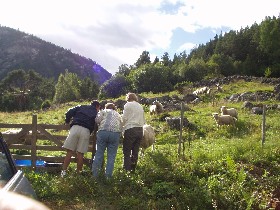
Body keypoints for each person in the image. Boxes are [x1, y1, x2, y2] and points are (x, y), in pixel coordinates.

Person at [61, 100, 100, 177]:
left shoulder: (81, 107)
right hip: (86, 130)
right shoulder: (96, 112)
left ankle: (63, 173)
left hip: (75, 128)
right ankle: (78, 174)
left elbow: (69, 112)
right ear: (97, 106)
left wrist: (67, 121)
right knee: (80, 154)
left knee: (69, 152)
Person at [92, 103, 122, 178]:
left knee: (99, 154)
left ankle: (95, 175)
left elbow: (97, 120)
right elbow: (121, 125)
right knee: (111, 156)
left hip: (103, 132)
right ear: (114, 108)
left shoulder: (103, 111)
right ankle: (108, 177)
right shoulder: (118, 114)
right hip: (115, 134)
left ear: (106, 107)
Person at [122, 93, 145, 172]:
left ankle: (126, 170)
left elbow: (124, 118)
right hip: (140, 129)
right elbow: (143, 119)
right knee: (135, 150)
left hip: (131, 128)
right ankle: (133, 168)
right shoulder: (140, 106)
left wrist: (121, 127)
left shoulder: (127, 105)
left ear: (128, 98)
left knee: (127, 151)